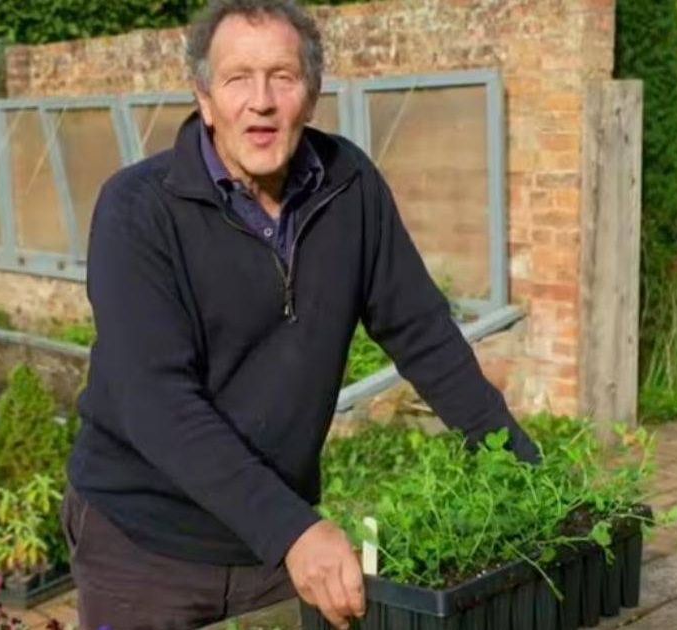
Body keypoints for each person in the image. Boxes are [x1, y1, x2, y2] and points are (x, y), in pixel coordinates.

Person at [61, 1, 540, 628]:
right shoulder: (138, 209)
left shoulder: (349, 185)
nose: (261, 101)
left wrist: (524, 471)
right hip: (146, 547)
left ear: (311, 95)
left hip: (270, 546)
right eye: (238, 78)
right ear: (205, 99)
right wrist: (294, 530)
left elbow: (423, 334)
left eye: (282, 77)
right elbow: (156, 402)